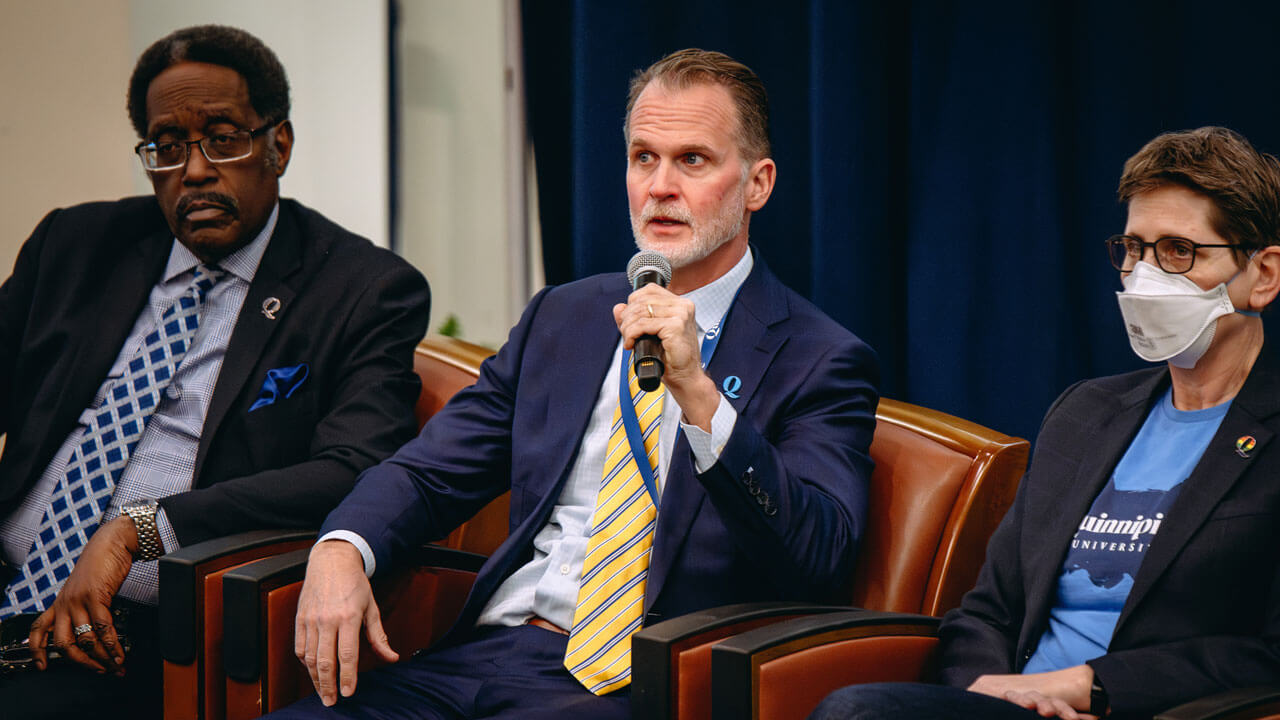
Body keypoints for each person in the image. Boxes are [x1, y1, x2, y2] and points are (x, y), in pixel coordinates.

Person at [271, 48, 879, 719]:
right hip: (480, 658)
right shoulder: (565, 316)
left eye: (693, 161)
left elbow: (818, 556)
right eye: (643, 157)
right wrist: (341, 547)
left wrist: (700, 396)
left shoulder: (819, 358)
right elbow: (429, 473)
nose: (659, 187)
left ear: (757, 184)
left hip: (639, 683)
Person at [0, 24, 430, 719]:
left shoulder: (362, 288)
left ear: (277, 145)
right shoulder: (75, 246)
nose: (194, 170)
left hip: (137, 632)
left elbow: (354, 464)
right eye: (166, 147)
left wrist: (137, 529)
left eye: (223, 138)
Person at [810, 126, 1280, 720]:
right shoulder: (1084, 414)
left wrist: (1089, 686)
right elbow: (987, 613)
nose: (1144, 275)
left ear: (1262, 274)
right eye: (1134, 248)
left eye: (1178, 251)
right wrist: (989, 690)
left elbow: (1267, 655)